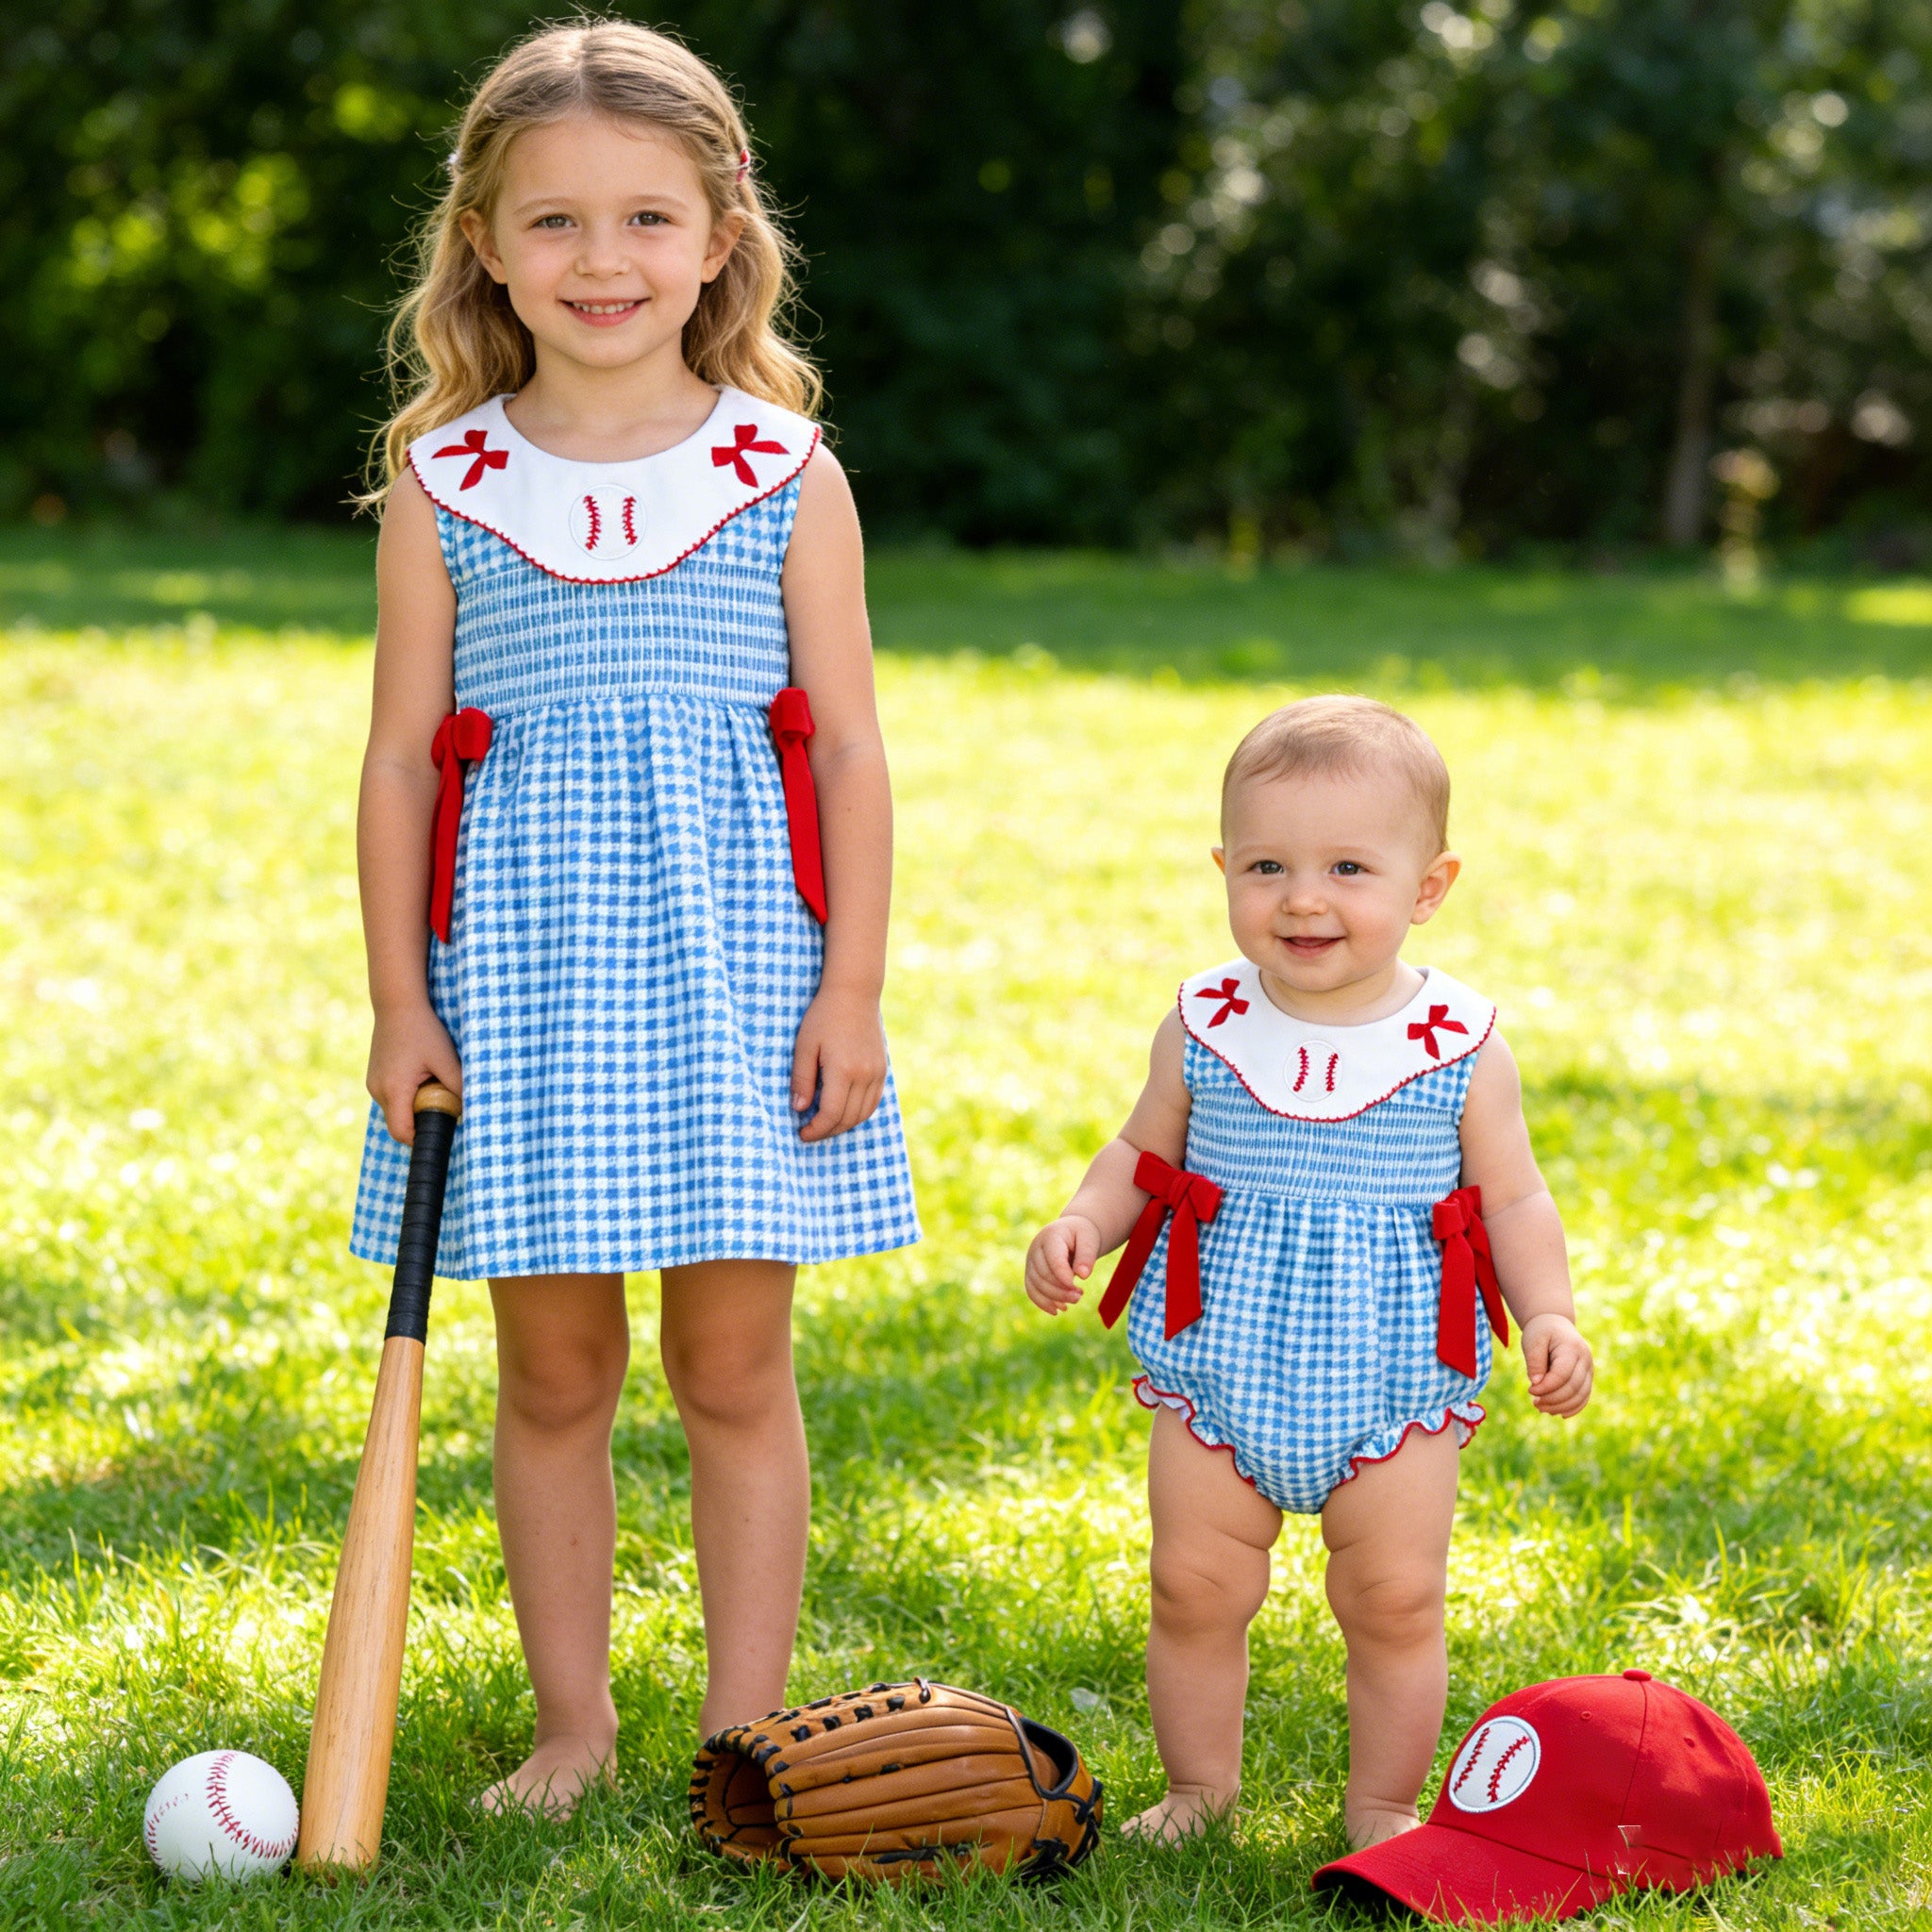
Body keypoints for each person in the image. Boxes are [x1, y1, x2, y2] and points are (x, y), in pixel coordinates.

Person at [348, 19, 919, 1815]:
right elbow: (394, 768)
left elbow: (848, 756)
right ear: (487, 245)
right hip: (519, 988)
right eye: (558, 223)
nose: (604, 263)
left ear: (721, 231)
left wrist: (853, 991)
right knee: (556, 1368)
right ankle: (575, 1725)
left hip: (740, 981)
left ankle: (745, 1729)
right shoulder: (449, 485)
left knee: (733, 1366)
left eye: (647, 220)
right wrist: (395, 1002)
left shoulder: (780, 473)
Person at [1023, 695, 1591, 1852]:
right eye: (1267, 864)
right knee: (1192, 1583)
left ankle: (1381, 1802)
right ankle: (1197, 1787)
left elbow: (1513, 1197)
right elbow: (1143, 1150)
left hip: (1391, 1369)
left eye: (1347, 866)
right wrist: (1087, 1217)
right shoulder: (1207, 1020)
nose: (1302, 897)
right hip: (1220, 1356)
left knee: (1391, 1597)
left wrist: (1548, 1310)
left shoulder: (1456, 1042)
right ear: (1224, 866)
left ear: (1426, 886)